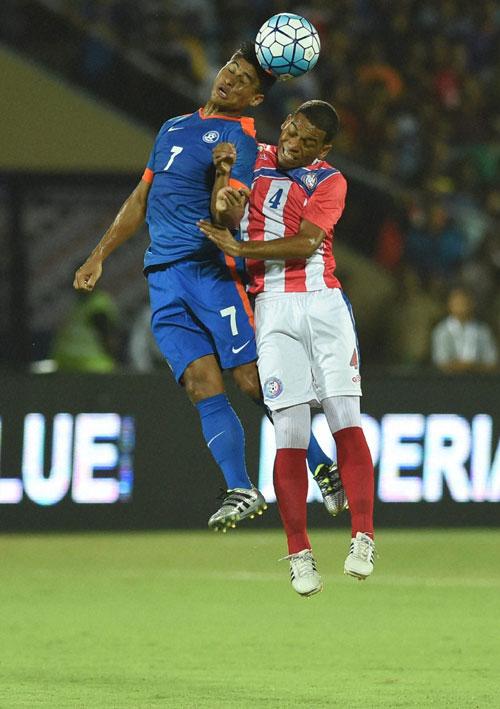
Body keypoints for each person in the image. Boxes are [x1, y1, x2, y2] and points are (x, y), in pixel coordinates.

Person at [73, 44, 340, 531]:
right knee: (200, 384)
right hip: (163, 277)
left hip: (210, 272)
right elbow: (140, 197)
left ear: (256, 100)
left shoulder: (239, 137)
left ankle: (322, 462)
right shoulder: (172, 127)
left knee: (249, 380)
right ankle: (240, 486)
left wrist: (222, 171)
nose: (230, 81)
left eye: (243, 81)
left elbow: (229, 214)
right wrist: (99, 254)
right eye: (229, 71)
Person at [199, 100, 376, 596]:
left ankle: (362, 535)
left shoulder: (329, 181)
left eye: (306, 142)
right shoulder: (256, 157)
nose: (293, 144)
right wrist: (225, 181)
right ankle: (300, 554)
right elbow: (224, 204)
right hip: (272, 309)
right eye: (291, 132)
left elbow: (305, 243)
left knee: (345, 419)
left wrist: (241, 250)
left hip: (322, 304)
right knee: (290, 434)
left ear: (324, 149)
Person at [431, 286, 498, 373]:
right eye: (457, 303)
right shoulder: (442, 331)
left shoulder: (483, 330)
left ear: (472, 304)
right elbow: (441, 363)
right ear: (449, 305)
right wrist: (468, 366)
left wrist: (469, 367)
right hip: (448, 383)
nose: (461, 306)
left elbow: (492, 363)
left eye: (464, 302)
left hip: (480, 382)